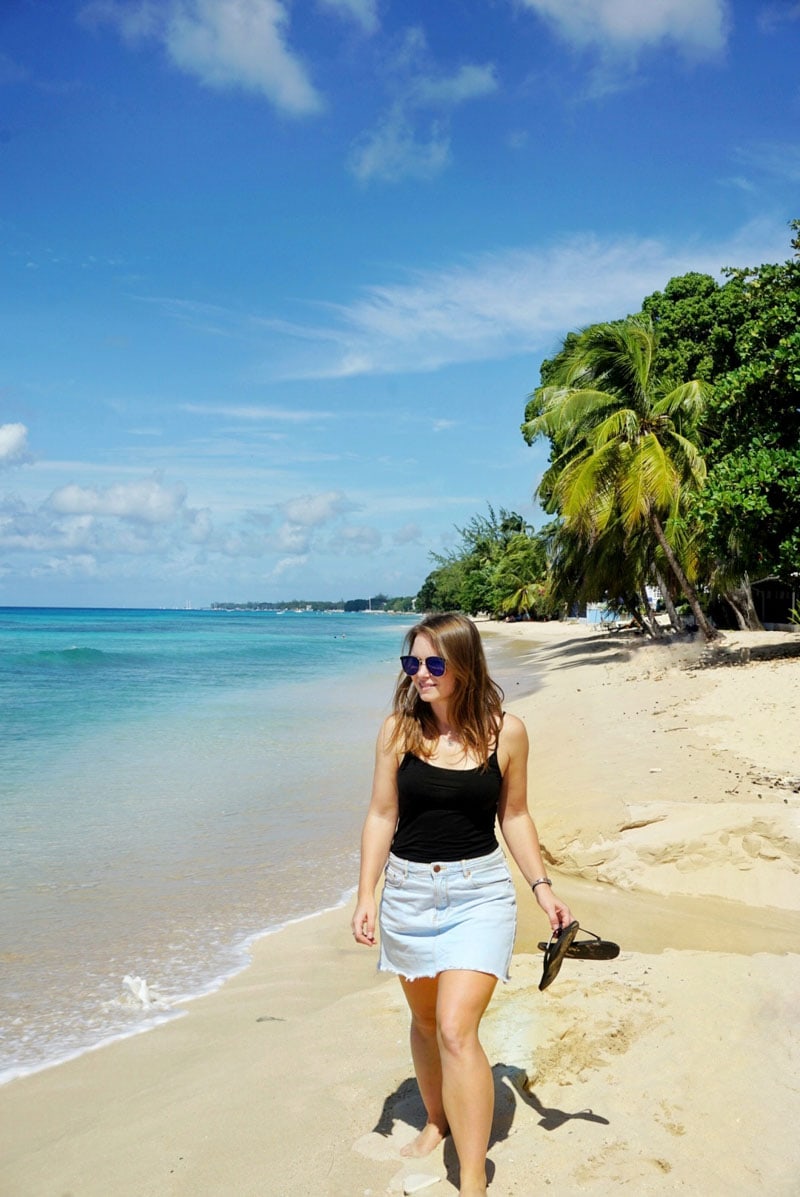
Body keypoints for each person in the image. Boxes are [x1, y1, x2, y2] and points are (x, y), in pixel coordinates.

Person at [352, 612, 573, 1197]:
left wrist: (542, 887)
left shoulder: (507, 732)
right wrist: (365, 895)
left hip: (480, 894)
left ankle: (472, 1175)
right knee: (424, 1022)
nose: (420, 674)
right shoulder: (397, 731)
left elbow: (515, 815)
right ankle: (435, 1119)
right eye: (411, 663)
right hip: (407, 893)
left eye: (433, 663)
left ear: (464, 666)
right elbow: (381, 815)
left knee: (455, 1028)